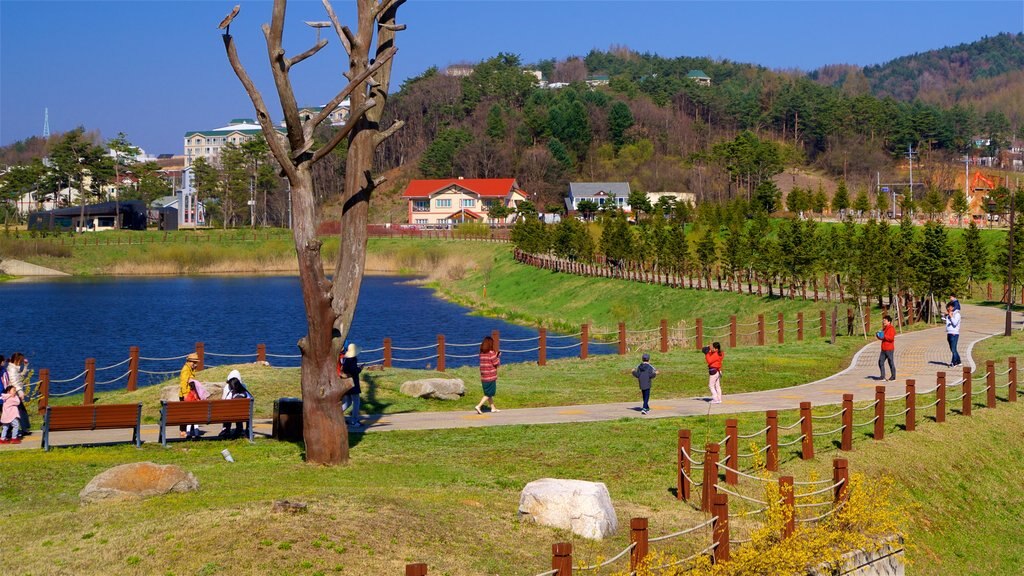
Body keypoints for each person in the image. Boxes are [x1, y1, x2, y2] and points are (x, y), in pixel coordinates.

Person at [220, 369, 252, 438]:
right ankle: (240, 429)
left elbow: (224, 401)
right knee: (238, 410)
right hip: (244, 414)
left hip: (230, 413)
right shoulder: (244, 388)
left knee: (228, 411)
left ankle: (226, 430)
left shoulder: (228, 389)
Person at [339, 343, 363, 427]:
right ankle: (354, 420)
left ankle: (336, 416)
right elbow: (353, 371)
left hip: (347, 382)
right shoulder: (352, 359)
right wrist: (359, 369)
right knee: (356, 402)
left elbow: (346, 369)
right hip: (353, 383)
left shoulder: (345, 359)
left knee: (348, 402)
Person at [475, 336, 501, 414]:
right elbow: (496, 363)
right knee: (489, 393)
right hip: (490, 377)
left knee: (488, 393)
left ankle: (493, 408)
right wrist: (498, 356)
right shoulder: (491, 353)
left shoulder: (481, 353)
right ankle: (479, 406)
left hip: (484, 377)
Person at [178, 353, 200, 438]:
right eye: (194, 362)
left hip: (190, 394)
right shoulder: (185, 369)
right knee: (185, 413)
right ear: (189, 361)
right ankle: (183, 430)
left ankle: (188, 430)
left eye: (196, 362)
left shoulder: (190, 369)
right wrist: (184, 395)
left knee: (189, 413)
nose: (195, 364)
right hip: (186, 394)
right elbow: (184, 382)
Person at [876, 315, 896, 381]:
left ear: (889, 322)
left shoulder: (891, 328)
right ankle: (882, 376)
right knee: (880, 362)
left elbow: (891, 338)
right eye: (883, 320)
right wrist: (878, 335)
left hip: (889, 349)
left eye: (885, 320)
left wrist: (884, 336)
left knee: (890, 362)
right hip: (883, 349)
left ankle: (893, 376)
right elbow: (882, 337)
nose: (883, 322)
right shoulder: (884, 329)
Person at [944, 303, 962, 367]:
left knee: (953, 349)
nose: (948, 309)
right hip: (949, 333)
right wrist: (946, 316)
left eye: (949, 307)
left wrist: (951, 316)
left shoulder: (957, 315)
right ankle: (958, 361)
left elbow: (954, 323)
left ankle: (953, 363)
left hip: (954, 333)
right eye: (947, 308)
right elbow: (946, 322)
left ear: (953, 307)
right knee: (952, 349)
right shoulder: (949, 314)